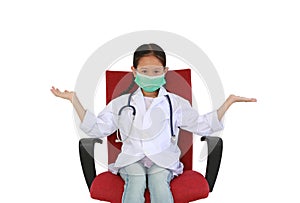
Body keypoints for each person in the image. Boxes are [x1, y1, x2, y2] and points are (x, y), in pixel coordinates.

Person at [51, 43, 256, 203]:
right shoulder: (122, 103)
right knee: (137, 179)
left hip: (163, 159)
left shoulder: (175, 103)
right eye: (145, 71)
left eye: (156, 72)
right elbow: (95, 128)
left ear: (165, 71)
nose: (151, 76)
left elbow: (202, 125)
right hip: (131, 159)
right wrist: (74, 100)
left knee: (159, 183)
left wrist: (227, 103)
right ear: (134, 70)